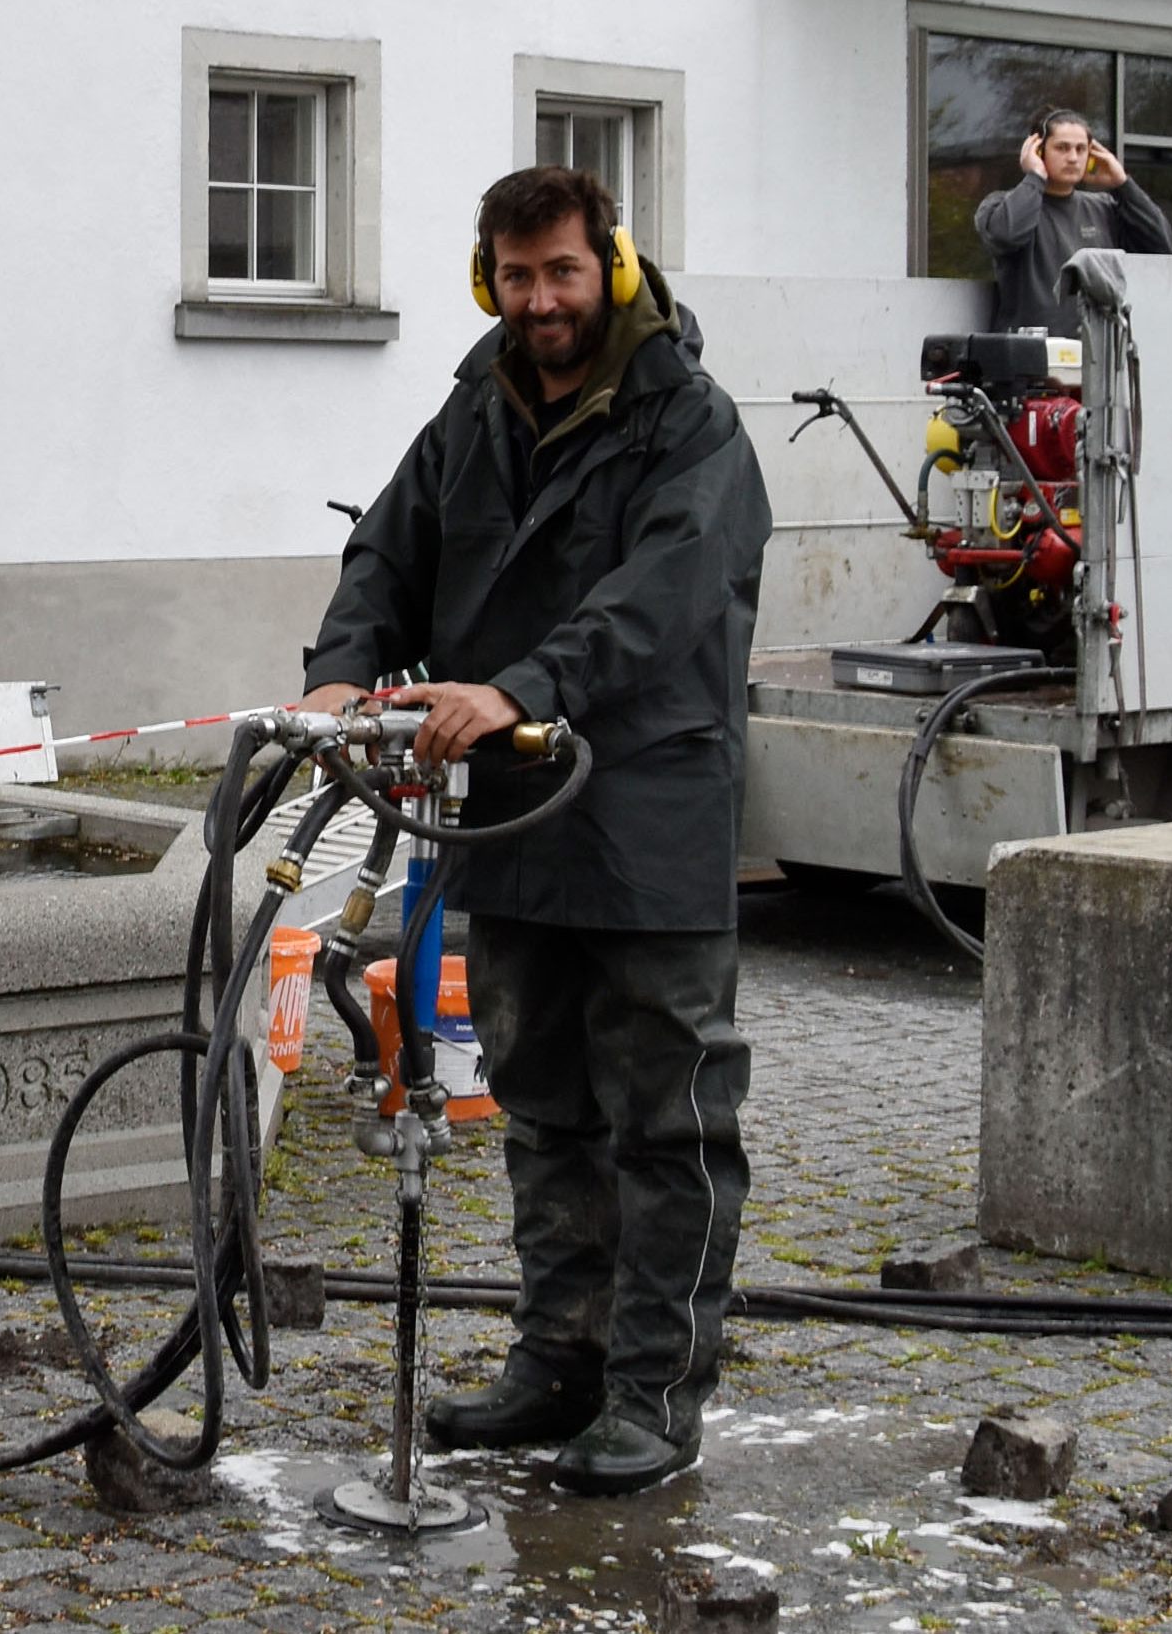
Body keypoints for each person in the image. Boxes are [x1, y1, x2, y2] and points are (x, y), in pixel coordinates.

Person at [300, 165, 771, 1497]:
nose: (540, 299)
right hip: (510, 818)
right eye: (515, 276)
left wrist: (520, 688)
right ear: (485, 278)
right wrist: (344, 668)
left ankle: (653, 1389)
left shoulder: (690, 422)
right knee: (539, 1102)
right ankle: (555, 1360)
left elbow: (664, 594)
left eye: (562, 272)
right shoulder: (477, 408)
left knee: (669, 1119)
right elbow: (389, 551)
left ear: (609, 266)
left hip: (648, 814)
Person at [974, 109, 1172, 335]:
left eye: (1081, 149)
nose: (1073, 157)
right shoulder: (1000, 206)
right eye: (1062, 148)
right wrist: (1035, 177)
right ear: (1037, 151)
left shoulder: (1104, 208)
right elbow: (1006, 236)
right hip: (1029, 357)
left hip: (1095, 358)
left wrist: (1123, 184)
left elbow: (1160, 245)